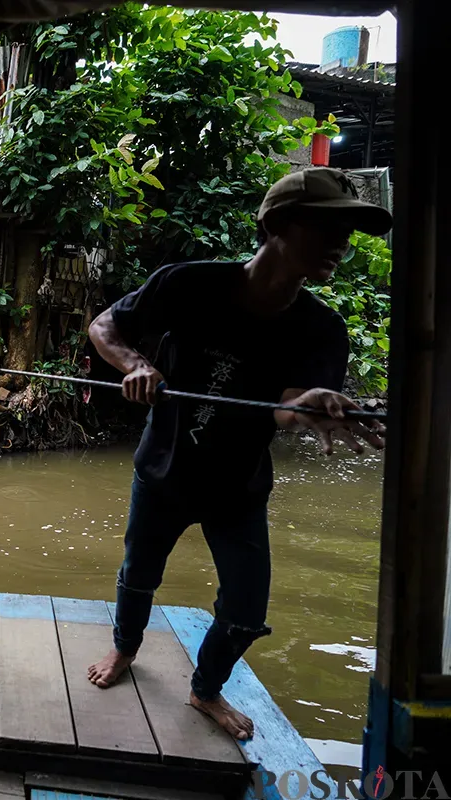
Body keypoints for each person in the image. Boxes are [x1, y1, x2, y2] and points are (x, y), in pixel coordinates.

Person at [84, 167, 391, 740]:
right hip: (165, 467)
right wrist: (138, 365)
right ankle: (126, 649)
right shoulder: (190, 284)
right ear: (276, 225)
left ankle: (205, 691)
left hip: (239, 484)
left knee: (247, 612)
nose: (342, 243)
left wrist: (311, 404)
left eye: (348, 231)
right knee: (139, 575)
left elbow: (283, 408)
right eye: (327, 226)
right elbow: (106, 326)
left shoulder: (322, 329)